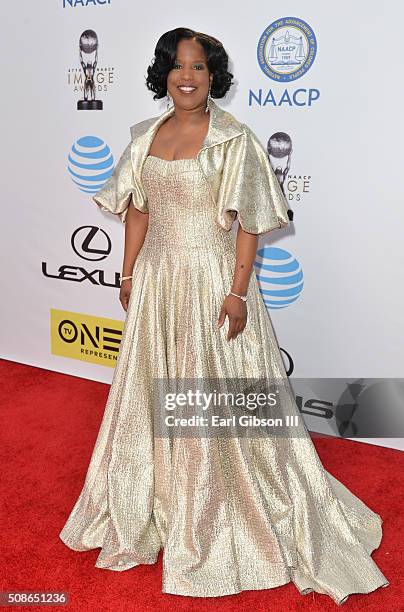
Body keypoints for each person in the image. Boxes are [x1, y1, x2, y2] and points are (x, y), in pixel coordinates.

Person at [59, 27, 389, 604]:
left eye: (200, 68)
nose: (187, 77)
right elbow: (137, 210)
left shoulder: (235, 138)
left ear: (215, 78)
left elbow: (250, 224)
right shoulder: (144, 136)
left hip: (213, 284)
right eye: (178, 66)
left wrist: (237, 293)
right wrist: (129, 272)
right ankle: (155, 499)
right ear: (163, 73)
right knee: (151, 396)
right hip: (159, 283)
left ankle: (216, 508)